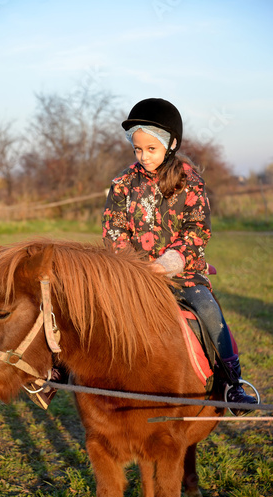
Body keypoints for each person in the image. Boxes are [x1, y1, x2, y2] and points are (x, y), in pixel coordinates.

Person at [102, 97, 259, 415]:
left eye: (150, 149)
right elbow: (114, 230)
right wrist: (132, 266)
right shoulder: (123, 183)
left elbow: (196, 229)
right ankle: (60, 370)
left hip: (181, 272)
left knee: (206, 307)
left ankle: (232, 382)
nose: (143, 156)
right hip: (134, 272)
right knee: (92, 301)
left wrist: (171, 261)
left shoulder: (189, 182)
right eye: (137, 149)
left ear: (170, 145)